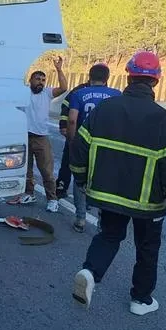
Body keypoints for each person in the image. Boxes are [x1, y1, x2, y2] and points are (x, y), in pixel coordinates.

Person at [69, 51, 166, 316]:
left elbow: (79, 149)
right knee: (147, 248)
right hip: (148, 202)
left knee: (109, 236)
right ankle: (140, 300)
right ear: (156, 80)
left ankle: (90, 271)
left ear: (129, 76)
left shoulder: (104, 110)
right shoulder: (162, 118)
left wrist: (81, 179)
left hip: (108, 195)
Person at [57, 63, 121, 232]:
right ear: (107, 78)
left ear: (89, 76)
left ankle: (80, 219)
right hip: (107, 146)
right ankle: (102, 222)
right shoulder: (116, 95)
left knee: (80, 180)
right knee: (103, 182)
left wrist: (72, 141)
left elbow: (72, 120)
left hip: (83, 143)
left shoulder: (79, 93)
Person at [7, 55, 70, 211]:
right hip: (24, 137)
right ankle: (29, 193)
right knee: (26, 170)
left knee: (47, 172)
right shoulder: (22, 92)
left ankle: (52, 199)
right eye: (37, 79)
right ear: (31, 80)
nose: (41, 82)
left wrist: (59, 69)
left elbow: (63, 88)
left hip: (41, 138)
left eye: (43, 79)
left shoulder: (47, 93)